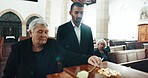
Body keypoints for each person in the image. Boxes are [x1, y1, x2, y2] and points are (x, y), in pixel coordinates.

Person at [2, 18, 102, 78]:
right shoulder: (18, 48)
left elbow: (68, 56)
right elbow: (8, 74)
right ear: (31, 33)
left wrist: (87, 58)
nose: (44, 35)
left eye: (46, 32)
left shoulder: (52, 45)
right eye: (40, 32)